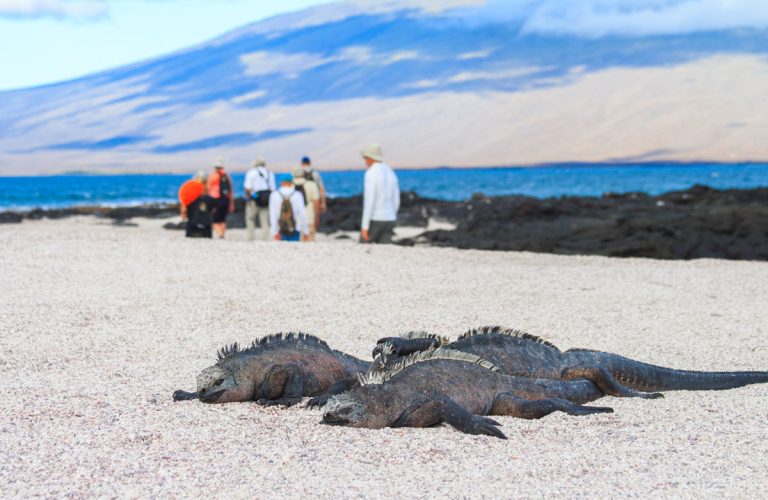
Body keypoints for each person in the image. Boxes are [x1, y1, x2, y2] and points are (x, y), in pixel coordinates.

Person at [360, 143, 400, 244]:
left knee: (362, 250)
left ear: (370, 158)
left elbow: (369, 201)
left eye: (365, 158)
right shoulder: (390, 172)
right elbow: (396, 199)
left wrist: (364, 226)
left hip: (376, 218)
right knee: (385, 253)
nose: (365, 161)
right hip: (390, 219)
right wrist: (393, 215)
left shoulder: (371, 173)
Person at [244, 157, 276, 241]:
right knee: (265, 221)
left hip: (254, 199)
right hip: (266, 200)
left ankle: (250, 238)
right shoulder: (270, 173)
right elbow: (273, 189)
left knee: (250, 219)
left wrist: (249, 198)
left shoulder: (251, 172)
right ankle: (265, 239)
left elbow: (248, 188)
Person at [269, 176, 309, 242]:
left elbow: (273, 214)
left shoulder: (274, 195)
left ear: (281, 183)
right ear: (291, 182)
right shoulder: (298, 195)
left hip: (280, 228)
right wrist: (305, 231)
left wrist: (274, 231)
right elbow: (302, 214)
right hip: (295, 228)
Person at [206, 159, 235, 239]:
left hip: (215, 199)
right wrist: (231, 203)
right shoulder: (227, 176)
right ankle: (222, 234)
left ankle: (220, 234)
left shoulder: (213, 175)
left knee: (214, 219)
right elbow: (231, 190)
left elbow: (208, 188)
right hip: (226, 199)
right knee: (222, 219)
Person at [178, 171, 212, 239]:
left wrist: (183, 215)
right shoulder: (209, 199)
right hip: (205, 230)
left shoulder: (188, 197)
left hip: (192, 229)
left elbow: (183, 211)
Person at [292, 166, 321, 241]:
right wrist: (317, 218)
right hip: (309, 218)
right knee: (310, 243)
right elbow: (316, 203)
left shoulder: (290, 186)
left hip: (294, 220)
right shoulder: (312, 184)